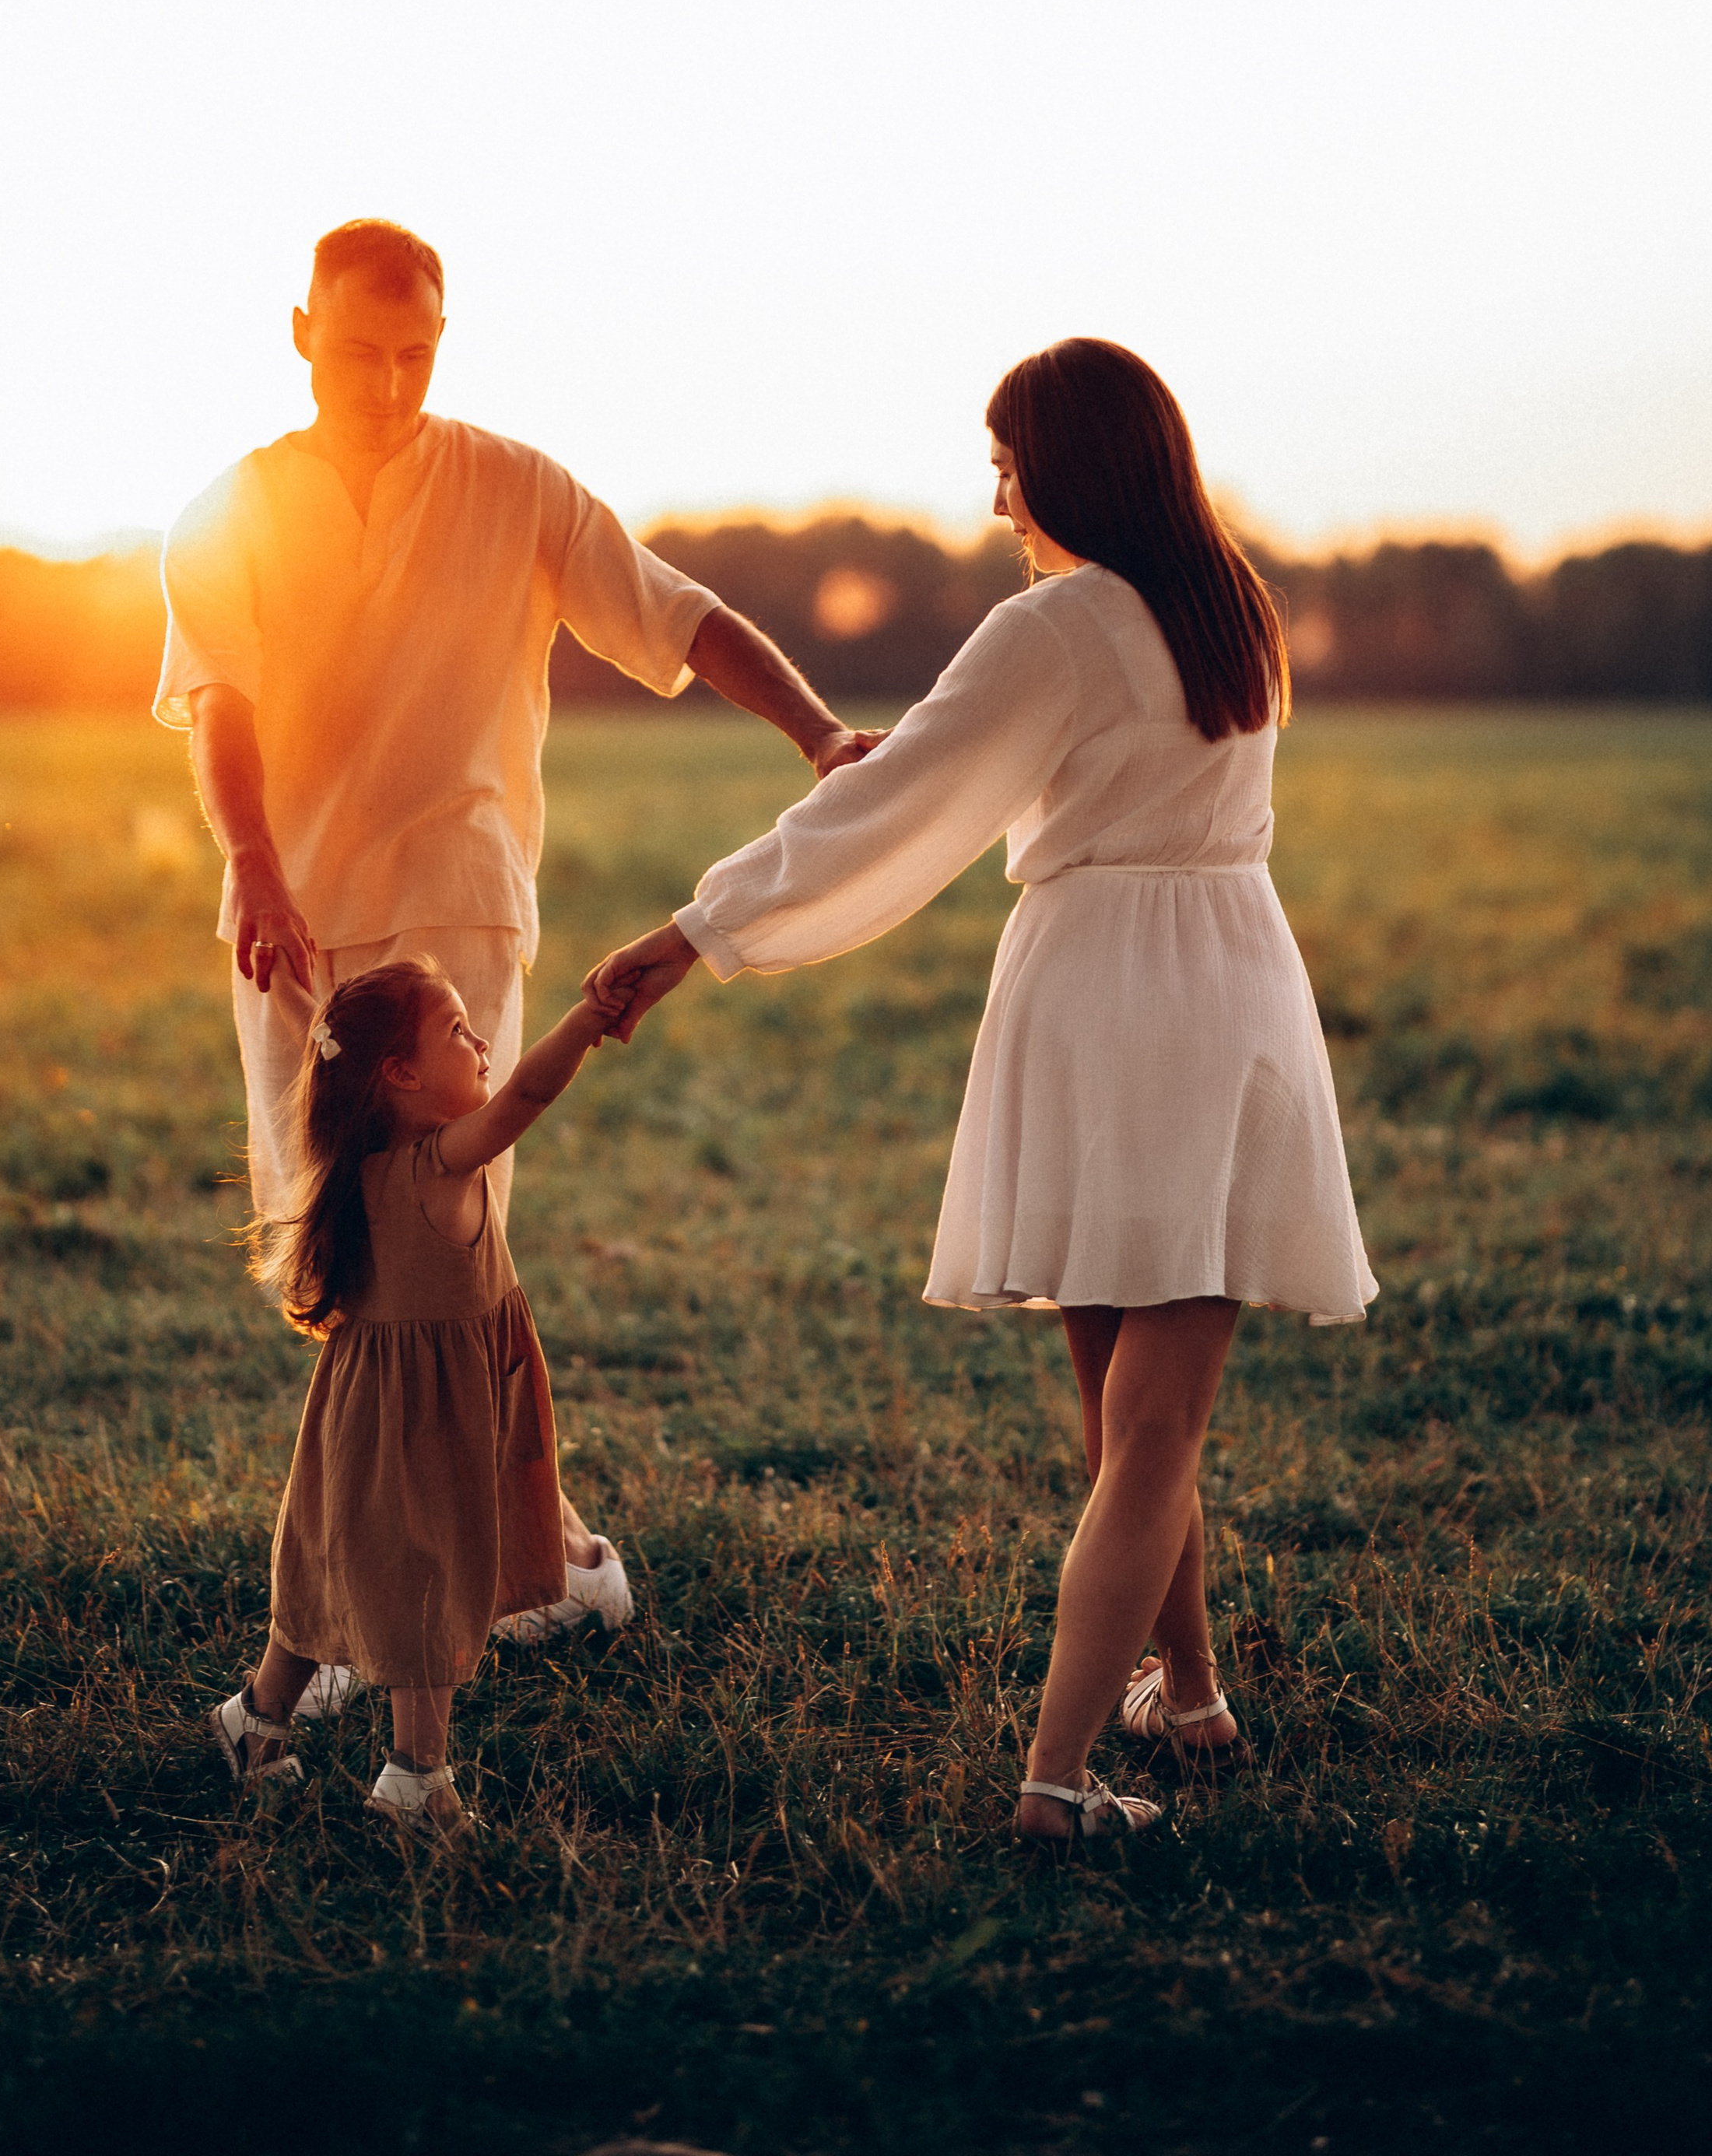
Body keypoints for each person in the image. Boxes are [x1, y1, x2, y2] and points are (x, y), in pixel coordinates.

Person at [589, 338, 1377, 1848]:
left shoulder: (1056, 622)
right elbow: (1039, 759)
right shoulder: (1234, 607)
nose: (996, 495)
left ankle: (1052, 1782)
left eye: (1008, 464)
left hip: (1097, 992)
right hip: (1229, 982)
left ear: (1070, 465)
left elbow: (900, 803)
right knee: (1142, 1416)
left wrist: (693, 931)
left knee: (1134, 1420)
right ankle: (1188, 1693)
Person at [156, 216, 877, 1651]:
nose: (389, 381)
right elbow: (220, 700)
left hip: (456, 914)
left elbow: (682, 617)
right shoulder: (229, 510)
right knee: (340, 1270)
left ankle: (409, 1606)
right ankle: (541, 1554)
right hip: (292, 926)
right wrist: (251, 861)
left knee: (434, 1266)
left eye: (416, 352)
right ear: (301, 337)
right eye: (359, 352)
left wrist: (818, 735)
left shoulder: (515, 487)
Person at [209, 956, 628, 1830]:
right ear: (400, 1074)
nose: (482, 1043)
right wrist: (588, 1020)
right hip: (411, 1424)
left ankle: (257, 1717)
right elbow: (525, 1097)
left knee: (344, 1574)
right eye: (459, 1031)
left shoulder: (373, 1167)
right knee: (426, 1585)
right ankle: (416, 1780)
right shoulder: (433, 1166)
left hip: (401, 1415)